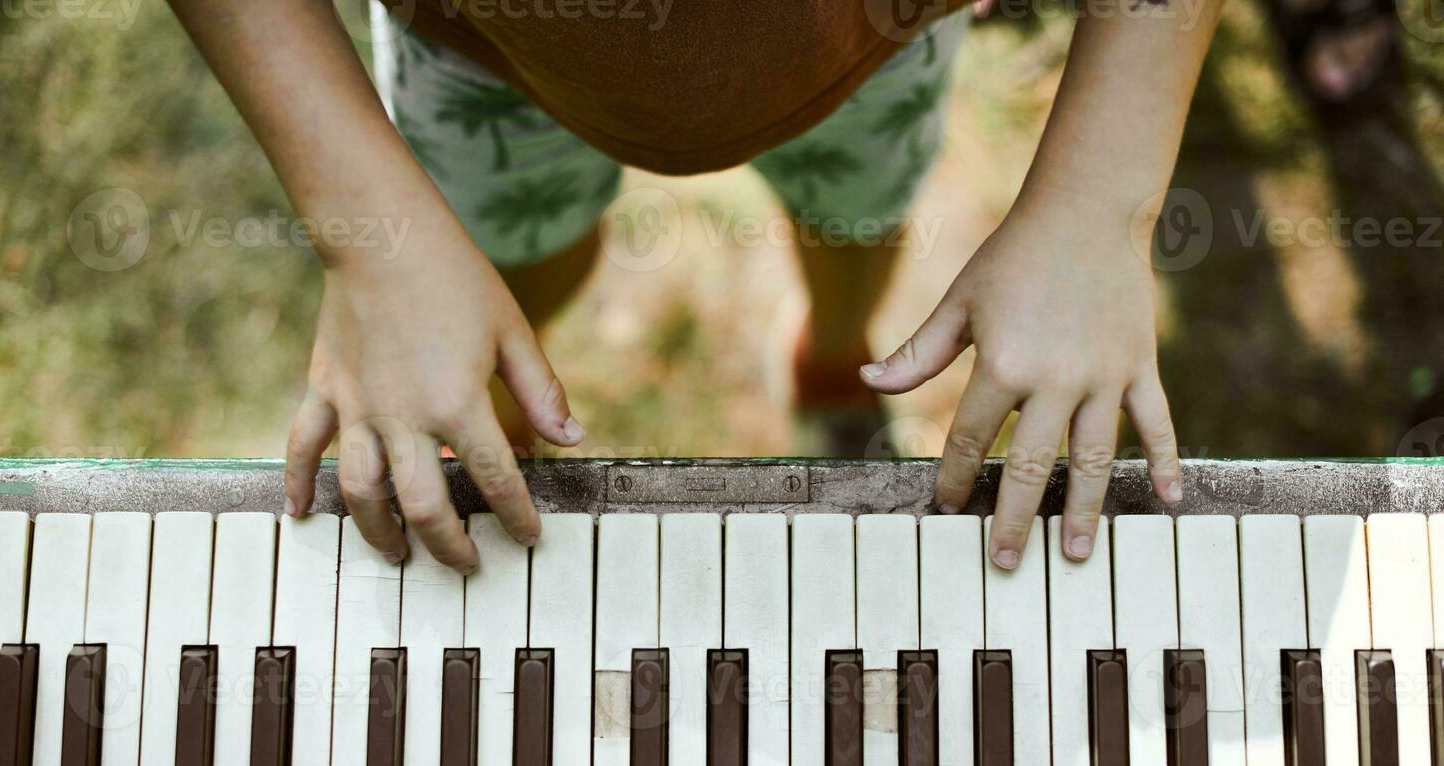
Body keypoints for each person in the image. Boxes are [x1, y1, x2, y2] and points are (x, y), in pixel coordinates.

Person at [168, 0, 1200, 576]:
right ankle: (487, 435)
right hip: (482, 53)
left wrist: (1102, 205)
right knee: (518, 267)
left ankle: (836, 369)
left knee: (851, 224)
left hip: (878, 46)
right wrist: (374, 242)